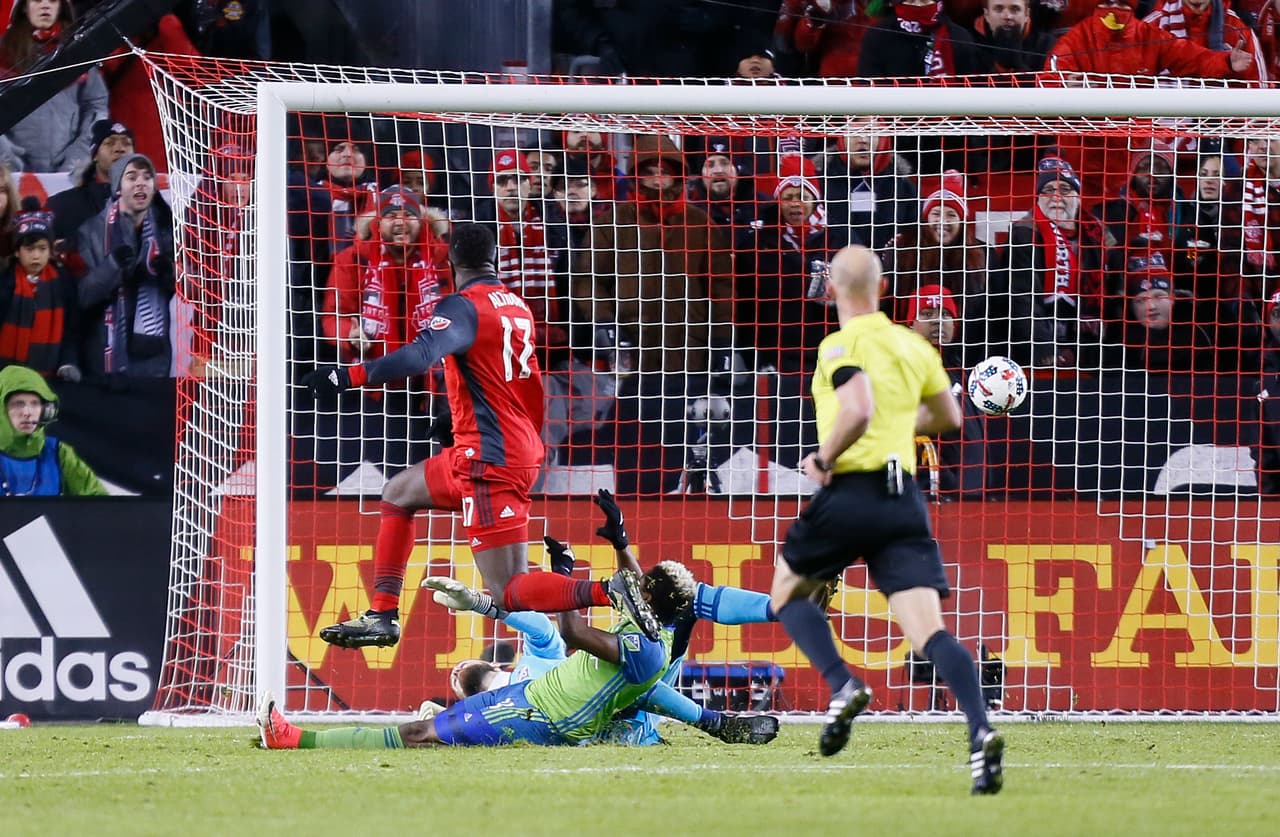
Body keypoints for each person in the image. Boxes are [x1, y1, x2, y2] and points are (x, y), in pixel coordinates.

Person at [302, 223, 660, 651]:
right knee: (398, 492)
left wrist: (349, 375)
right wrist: (453, 422)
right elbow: (497, 378)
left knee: (508, 590)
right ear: (493, 258)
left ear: (450, 260)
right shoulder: (517, 306)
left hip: (489, 458)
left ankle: (611, 591)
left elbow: (420, 354)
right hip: (499, 442)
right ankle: (382, 614)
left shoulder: (463, 305)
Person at [767, 245, 1004, 794]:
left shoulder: (840, 342)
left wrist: (822, 459)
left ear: (832, 289)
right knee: (930, 634)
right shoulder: (912, 343)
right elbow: (949, 416)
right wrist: (900, 421)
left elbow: (857, 407)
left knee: (786, 594)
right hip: (905, 498)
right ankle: (981, 731)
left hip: (851, 491)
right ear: (881, 288)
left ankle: (842, 685)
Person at [424, 489, 781, 746]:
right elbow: (592, 620)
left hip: (625, 681)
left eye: (458, 670)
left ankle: (776, 608)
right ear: (460, 695)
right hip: (598, 712)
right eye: (457, 679)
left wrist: (479, 603)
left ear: (498, 666)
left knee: (680, 606)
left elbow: (542, 625)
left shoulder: (533, 660)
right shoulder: (483, 706)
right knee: (641, 676)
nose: (456, 671)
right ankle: (714, 721)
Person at [256, 554, 693, 750]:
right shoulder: (648, 626)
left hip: (542, 715)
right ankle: (290, 737)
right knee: (426, 728)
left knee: (419, 734)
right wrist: (618, 541)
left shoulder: (646, 647)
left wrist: (565, 582)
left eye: (646, 586)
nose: (638, 585)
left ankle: (293, 739)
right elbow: (549, 626)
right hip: (530, 699)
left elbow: (563, 629)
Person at [75, 152, 176, 379]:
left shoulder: (167, 229)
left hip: (153, 357)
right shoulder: (91, 231)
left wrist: (171, 274)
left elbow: (192, 288)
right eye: (132, 177)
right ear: (117, 187)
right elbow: (82, 295)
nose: (141, 182)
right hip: (104, 355)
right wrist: (112, 266)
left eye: (147, 177)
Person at [0, 0, 109, 174]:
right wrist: (8, 159)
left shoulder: (77, 49)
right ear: (23, 7)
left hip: (68, 174)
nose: (45, 5)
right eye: (37, 0)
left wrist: (78, 156)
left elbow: (96, 104)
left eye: (52, 0)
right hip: (11, 175)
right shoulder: (3, 51)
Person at [0, 198, 80, 380]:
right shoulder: (5, 283)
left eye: (42, 248)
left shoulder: (63, 282)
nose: (36, 255)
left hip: (50, 377)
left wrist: (68, 363)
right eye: (29, 249)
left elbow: (71, 331)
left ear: (50, 250)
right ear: (17, 252)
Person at [0, 363, 105, 496]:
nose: (27, 412)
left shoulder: (58, 452)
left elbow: (99, 502)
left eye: (35, 404)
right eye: (18, 404)